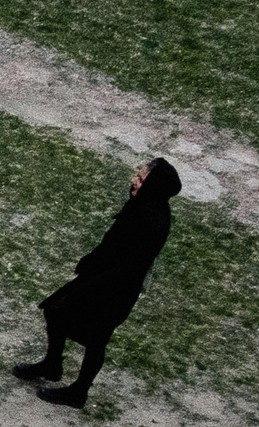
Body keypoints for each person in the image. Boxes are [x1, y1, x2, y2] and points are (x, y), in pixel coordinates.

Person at [15, 158, 179, 409]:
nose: (135, 180)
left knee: (94, 338)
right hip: (103, 277)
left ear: (154, 186)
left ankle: (77, 392)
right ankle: (52, 365)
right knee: (55, 311)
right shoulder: (145, 204)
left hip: (115, 288)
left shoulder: (152, 222)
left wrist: (92, 272)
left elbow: (127, 263)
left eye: (142, 179)